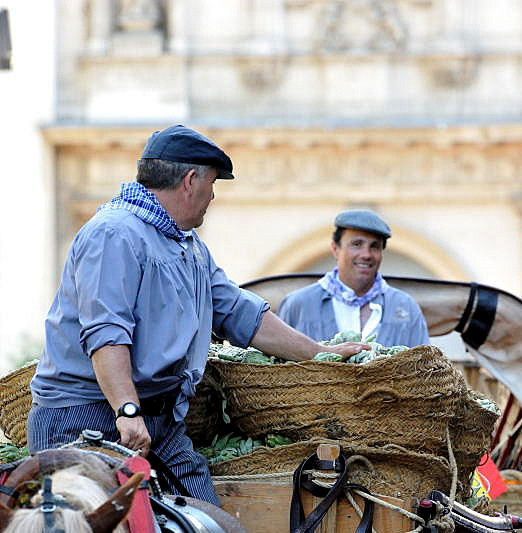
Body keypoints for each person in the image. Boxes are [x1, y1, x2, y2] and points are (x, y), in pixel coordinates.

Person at [28, 125, 369, 505]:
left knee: (210, 530)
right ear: (191, 181)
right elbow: (107, 333)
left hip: (159, 424)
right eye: (212, 184)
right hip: (86, 419)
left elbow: (240, 312)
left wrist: (320, 354)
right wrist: (127, 410)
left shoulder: (189, 246)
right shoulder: (113, 234)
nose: (212, 196)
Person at [277, 209, 430, 347]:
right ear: (335, 249)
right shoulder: (298, 305)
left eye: (374, 246)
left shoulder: (406, 307)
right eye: (357, 244)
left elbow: (425, 365)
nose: (366, 255)